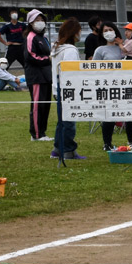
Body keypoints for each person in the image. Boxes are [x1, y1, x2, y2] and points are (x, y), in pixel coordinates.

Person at [93, 22, 132, 151]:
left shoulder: (124, 46)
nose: (108, 32)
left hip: (126, 86)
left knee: (130, 114)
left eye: (110, 29)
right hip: (109, 87)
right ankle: (107, 143)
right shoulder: (100, 50)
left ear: (115, 31)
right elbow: (94, 69)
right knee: (109, 116)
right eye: (105, 30)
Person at [50, 17, 86, 160]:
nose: (80, 34)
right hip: (68, 90)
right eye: (79, 31)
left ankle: (57, 149)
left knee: (62, 121)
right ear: (74, 33)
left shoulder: (56, 49)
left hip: (57, 89)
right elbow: (72, 73)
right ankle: (68, 151)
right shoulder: (70, 50)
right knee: (69, 122)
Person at [24, 9, 53, 142]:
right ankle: (36, 134)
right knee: (37, 105)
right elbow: (31, 56)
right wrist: (48, 59)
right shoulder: (31, 37)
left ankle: (42, 132)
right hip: (36, 76)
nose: (40, 23)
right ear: (30, 22)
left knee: (45, 105)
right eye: (37, 20)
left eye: (42, 20)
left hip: (46, 76)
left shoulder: (44, 38)